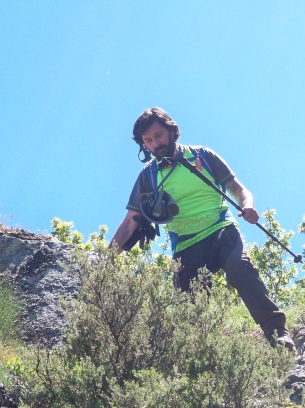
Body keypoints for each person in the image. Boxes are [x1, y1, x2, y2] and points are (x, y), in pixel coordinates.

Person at [110, 107, 293, 348]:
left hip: (221, 231)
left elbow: (237, 188)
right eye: (148, 141)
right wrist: (107, 258)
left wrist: (248, 206)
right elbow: (130, 222)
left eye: (159, 135)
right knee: (188, 312)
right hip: (186, 244)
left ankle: (277, 333)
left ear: (172, 131)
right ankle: (204, 356)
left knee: (239, 267)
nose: (155, 144)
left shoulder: (202, 156)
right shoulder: (148, 177)